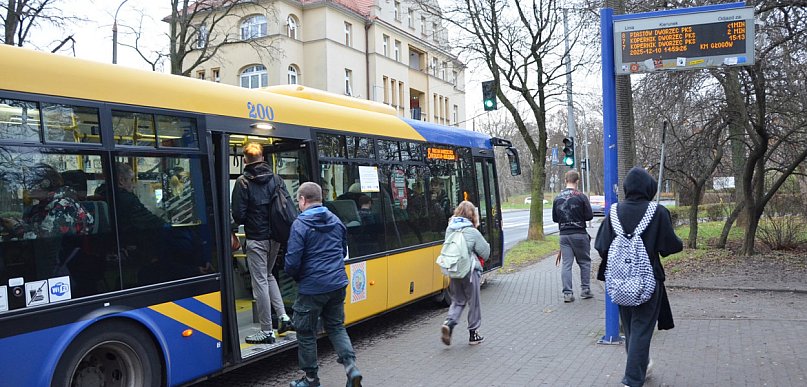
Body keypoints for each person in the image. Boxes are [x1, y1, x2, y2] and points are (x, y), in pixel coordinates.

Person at [595, 167, 683, 387]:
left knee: (632, 328)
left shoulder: (614, 212)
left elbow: (601, 245)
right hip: (648, 281)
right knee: (642, 329)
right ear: (649, 188)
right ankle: (632, 380)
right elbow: (670, 246)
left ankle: (641, 368)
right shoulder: (658, 212)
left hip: (620, 281)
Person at [284, 182, 362, 387]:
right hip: (337, 283)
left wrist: (300, 277)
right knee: (336, 326)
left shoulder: (300, 225)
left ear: (302, 200)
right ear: (320, 198)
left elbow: (292, 262)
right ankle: (351, 366)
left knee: (306, 332)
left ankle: (311, 379)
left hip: (312, 287)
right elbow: (342, 249)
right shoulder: (336, 221)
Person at [232, 142, 294, 344]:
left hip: (256, 240)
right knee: (268, 276)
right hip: (275, 238)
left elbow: (239, 215)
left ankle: (267, 330)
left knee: (259, 282)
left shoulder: (243, 182)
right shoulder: (276, 179)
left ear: (244, 160)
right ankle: (283, 317)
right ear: (263, 158)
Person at [440, 201, 490, 346]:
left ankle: (449, 323)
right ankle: (473, 334)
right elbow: (485, 252)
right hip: (470, 272)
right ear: (472, 215)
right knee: (473, 303)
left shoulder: (450, 229)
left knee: (458, 300)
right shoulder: (472, 231)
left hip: (454, 270)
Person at [552, 169, 594, 302]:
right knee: (584, 262)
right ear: (577, 181)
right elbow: (589, 216)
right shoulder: (581, 197)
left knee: (566, 264)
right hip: (579, 234)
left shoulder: (557, 198)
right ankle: (585, 290)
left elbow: (554, 218)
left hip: (564, 235)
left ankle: (567, 293)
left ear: (565, 181)